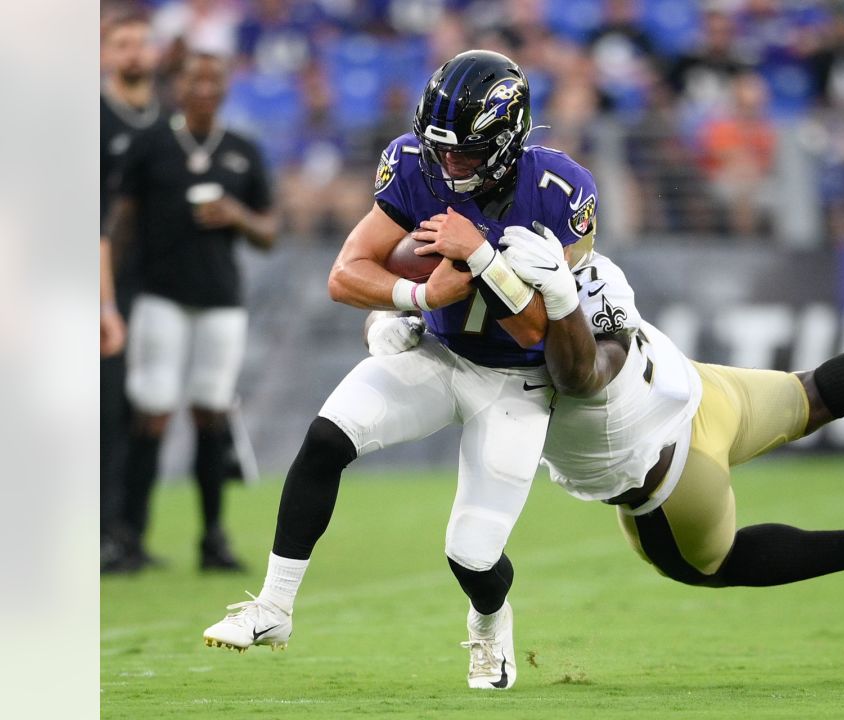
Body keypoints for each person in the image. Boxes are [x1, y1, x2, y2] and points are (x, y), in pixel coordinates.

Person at [379, 226, 844, 596]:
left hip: (666, 480)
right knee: (812, 393)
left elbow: (575, 369)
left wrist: (410, 323)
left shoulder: (500, 321)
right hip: (701, 392)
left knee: (704, 569)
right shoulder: (582, 265)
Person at [202, 50, 601, 692]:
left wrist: (482, 259)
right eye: (440, 149)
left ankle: (489, 620)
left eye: (466, 152)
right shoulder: (416, 165)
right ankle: (274, 608)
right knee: (328, 437)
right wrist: (413, 301)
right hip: (439, 353)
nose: (449, 164)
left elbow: (543, 334)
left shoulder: (559, 191)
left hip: (518, 381)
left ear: (506, 140)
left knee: (471, 555)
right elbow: (346, 272)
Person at [103, 52, 279, 573]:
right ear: (177, 87)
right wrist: (106, 294)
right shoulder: (153, 143)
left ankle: (213, 537)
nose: (204, 87)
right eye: (194, 78)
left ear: (226, 86)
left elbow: (269, 232)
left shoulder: (242, 149)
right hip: (160, 295)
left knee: (211, 408)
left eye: (214, 78)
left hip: (221, 299)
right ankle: (129, 535)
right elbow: (122, 222)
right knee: (152, 408)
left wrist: (236, 214)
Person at [100, 9, 163, 572]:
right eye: (122, 44)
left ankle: (131, 531)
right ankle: (99, 531)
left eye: (142, 43)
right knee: (105, 408)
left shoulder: (166, 121)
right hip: (106, 287)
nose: (134, 53)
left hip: (160, 285)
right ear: (103, 54)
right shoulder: (93, 119)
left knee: (151, 408)